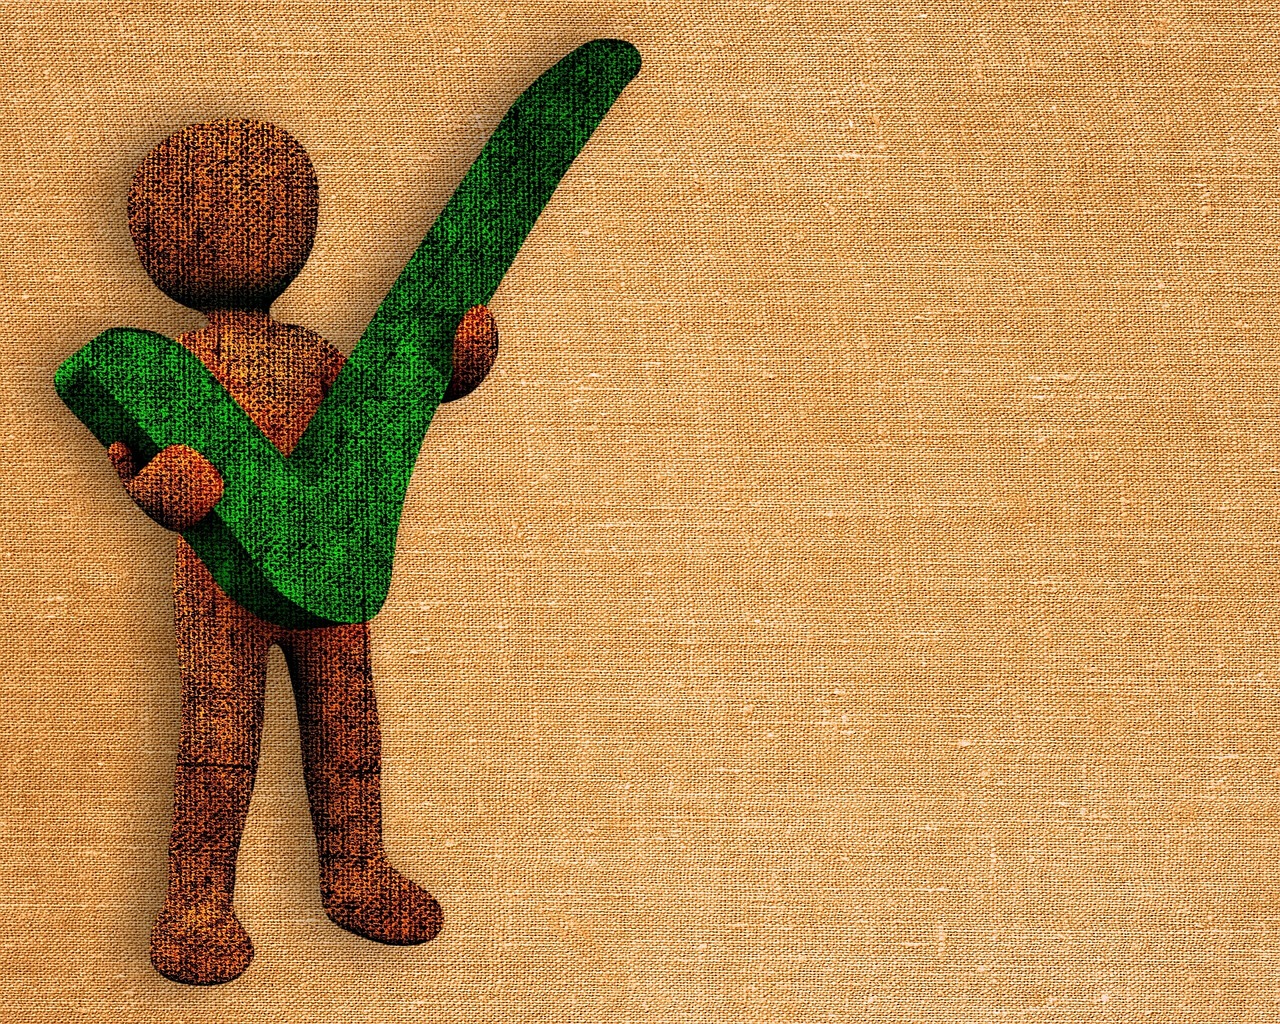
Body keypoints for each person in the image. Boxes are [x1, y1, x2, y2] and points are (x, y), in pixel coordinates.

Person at [110, 118, 497, 985]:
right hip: (223, 587)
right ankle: (196, 902)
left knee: (348, 729)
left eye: (264, 205)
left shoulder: (311, 355)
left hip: (330, 566)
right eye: (204, 211)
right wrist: (162, 490)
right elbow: (132, 461)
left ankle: (356, 871)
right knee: (219, 743)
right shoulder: (168, 368)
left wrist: (451, 364)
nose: (234, 223)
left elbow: (380, 414)